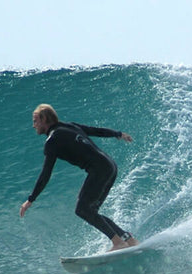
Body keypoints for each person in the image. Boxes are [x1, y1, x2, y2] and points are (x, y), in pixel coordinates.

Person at [19, 104, 139, 251]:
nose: (33, 125)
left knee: (82, 210)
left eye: (35, 120)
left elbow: (46, 174)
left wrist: (31, 199)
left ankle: (118, 242)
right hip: (110, 166)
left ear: (44, 119)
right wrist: (117, 134)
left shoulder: (52, 141)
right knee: (90, 210)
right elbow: (96, 130)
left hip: (99, 170)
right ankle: (129, 239)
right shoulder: (71, 126)